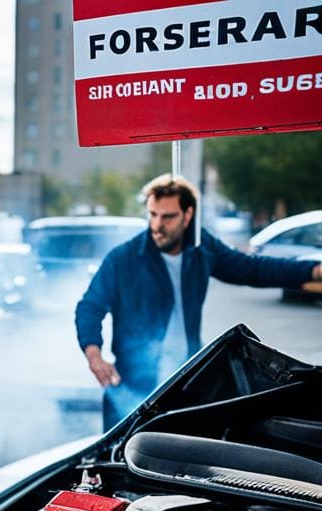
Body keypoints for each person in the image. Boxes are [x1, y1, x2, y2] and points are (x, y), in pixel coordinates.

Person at [76, 174, 322, 431]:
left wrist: (314, 270)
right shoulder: (123, 258)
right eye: (153, 214)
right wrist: (94, 354)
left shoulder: (201, 248)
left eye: (168, 216)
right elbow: (90, 307)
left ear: (187, 214)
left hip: (186, 379)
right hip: (133, 383)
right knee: (121, 459)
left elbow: (253, 268)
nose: (157, 225)